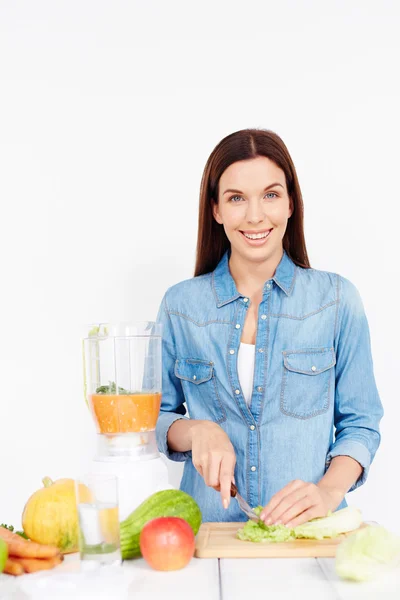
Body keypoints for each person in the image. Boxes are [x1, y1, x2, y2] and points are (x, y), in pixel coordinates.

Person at [155, 128, 383, 526]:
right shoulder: (180, 306)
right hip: (208, 535)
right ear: (216, 210)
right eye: (237, 198)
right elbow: (153, 417)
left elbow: (361, 424)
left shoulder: (337, 300)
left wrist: (328, 492)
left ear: (291, 203)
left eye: (271, 195)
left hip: (310, 539)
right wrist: (196, 431)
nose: (256, 215)